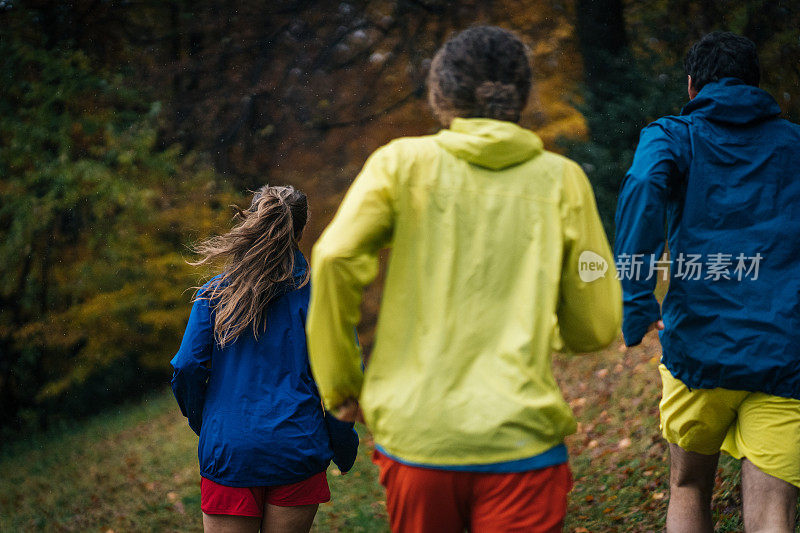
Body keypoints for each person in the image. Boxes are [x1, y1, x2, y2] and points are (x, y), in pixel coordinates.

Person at [306, 26, 621, 533]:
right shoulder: (562, 179)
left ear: (440, 96)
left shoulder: (399, 163)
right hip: (522, 441)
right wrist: (556, 328)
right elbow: (596, 325)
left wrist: (341, 383)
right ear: (521, 97)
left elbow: (334, 257)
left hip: (419, 441)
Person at [615, 31, 800, 533]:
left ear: (692, 86)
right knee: (774, 516)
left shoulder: (672, 135)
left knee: (689, 485)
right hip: (786, 353)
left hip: (699, 350)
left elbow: (644, 188)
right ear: (758, 87)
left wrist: (635, 304)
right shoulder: (795, 144)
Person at [170, 185, 358, 533]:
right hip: (296, 449)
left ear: (252, 222)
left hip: (230, 451)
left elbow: (187, 366)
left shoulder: (215, 292)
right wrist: (343, 446)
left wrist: (207, 422)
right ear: (300, 232)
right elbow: (341, 379)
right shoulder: (321, 296)